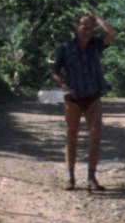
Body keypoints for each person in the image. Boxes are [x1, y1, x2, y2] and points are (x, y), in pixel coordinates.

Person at [49, 10, 118, 191]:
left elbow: (112, 34)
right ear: (76, 27)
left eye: (90, 27)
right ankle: (70, 177)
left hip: (93, 96)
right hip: (72, 98)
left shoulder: (96, 45)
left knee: (95, 135)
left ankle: (91, 177)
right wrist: (63, 86)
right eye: (83, 26)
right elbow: (55, 72)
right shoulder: (65, 47)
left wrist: (96, 18)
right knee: (72, 135)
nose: (87, 30)